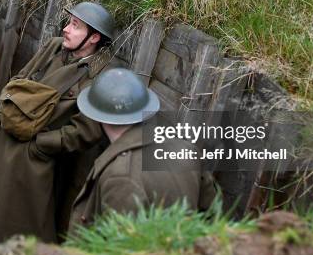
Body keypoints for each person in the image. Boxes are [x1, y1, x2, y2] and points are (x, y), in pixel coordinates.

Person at [0, 1, 116, 255]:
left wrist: (40, 145)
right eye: (69, 22)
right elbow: (20, 78)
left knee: (4, 225)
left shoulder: (98, 78)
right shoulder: (52, 47)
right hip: (0, 136)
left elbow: (86, 132)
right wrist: (1, 113)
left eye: (75, 25)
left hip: (29, 163)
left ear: (94, 37)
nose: (66, 29)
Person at [69, 68, 216, 231]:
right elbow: (211, 214)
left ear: (97, 115)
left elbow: (118, 249)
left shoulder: (119, 177)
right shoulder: (186, 149)